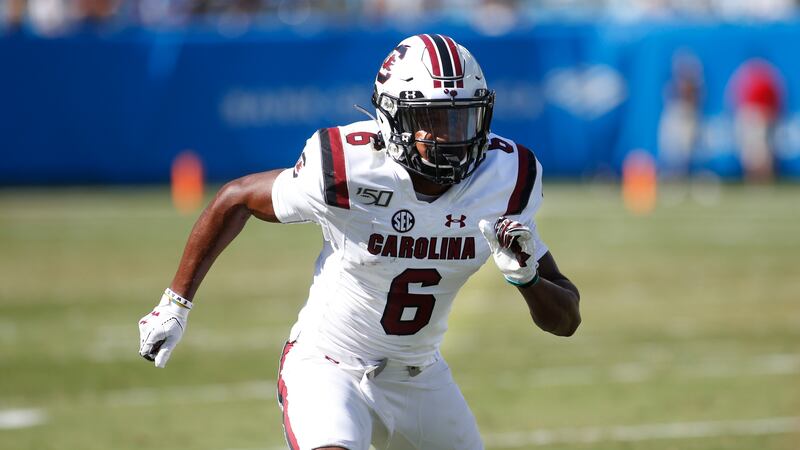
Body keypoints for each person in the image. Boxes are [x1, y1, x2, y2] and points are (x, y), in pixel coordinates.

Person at [138, 34, 581, 450]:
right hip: (329, 364)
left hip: (420, 375)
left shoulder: (505, 180)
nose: (452, 138)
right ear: (391, 118)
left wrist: (527, 279)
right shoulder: (348, 167)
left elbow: (567, 320)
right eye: (432, 120)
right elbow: (236, 198)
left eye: (462, 118)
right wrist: (175, 304)